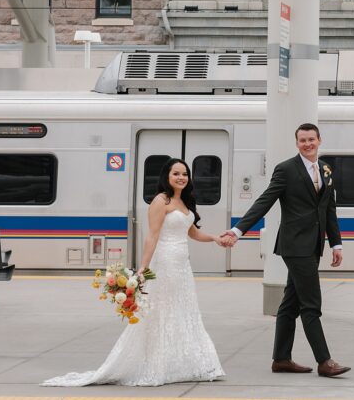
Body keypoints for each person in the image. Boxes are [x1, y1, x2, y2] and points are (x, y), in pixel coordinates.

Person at [43, 158, 225, 387]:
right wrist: (143, 268)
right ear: (166, 177)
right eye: (176, 173)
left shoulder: (185, 202)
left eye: (185, 174)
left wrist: (215, 238)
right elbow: (153, 236)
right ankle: (156, 365)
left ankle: (184, 363)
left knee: (183, 310)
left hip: (182, 266)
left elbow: (193, 234)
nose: (181, 177)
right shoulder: (161, 201)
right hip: (166, 263)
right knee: (161, 312)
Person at [218, 123, 350, 377]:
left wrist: (336, 243)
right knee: (311, 304)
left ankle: (281, 359)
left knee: (290, 304)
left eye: (311, 139)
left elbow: (328, 209)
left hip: (313, 246)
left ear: (319, 140)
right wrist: (237, 231)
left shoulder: (325, 169)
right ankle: (325, 361)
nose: (307, 144)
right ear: (297, 143)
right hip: (295, 245)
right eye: (302, 140)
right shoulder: (286, 169)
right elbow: (265, 201)